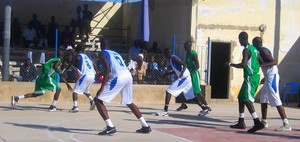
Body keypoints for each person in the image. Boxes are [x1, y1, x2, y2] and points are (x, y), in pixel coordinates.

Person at [94, 39, 151, 135]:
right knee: (129, 102)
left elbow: (107, 69)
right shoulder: (116, 53)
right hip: (127, 76)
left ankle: (110, 126)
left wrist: (102, 87)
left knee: (98, 100)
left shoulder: (102, 53)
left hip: (119, 77)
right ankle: (145, 126)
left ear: (101, 45)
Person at [252, 37, 292, 131]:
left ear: (255, 44)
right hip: (268, 77)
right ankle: (264, 121)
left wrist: (260, 65)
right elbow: (268, 68)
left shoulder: (263, 51)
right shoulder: (260, 52)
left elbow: (274, 62)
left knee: (276, 99)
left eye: (253, 43)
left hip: (272, 77)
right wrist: (265, 77)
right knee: (263, 99)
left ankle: (286, 124)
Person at [229, 32, 264, 133]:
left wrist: (230, 64)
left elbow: (243, 65)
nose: (239, 41)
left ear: (242, 39)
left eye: (239, 39)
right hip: (255, 76)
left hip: (250, 77)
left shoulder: (246, 50)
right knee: (241, 98)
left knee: (247, 99)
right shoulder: (255, 49)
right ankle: (241, 121)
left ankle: (257, 121)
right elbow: (260, 62)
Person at [156, 48, 199, 117]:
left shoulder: (173, 58)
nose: (164, 55)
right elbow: (176, 70)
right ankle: (204, 107)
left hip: (184, 77)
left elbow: (184, 64)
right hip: (186, 77)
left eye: (165, 53)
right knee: (190, 96)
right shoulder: (171, 59)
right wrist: (167, 74)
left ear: (167, 53)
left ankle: (165, 111)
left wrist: (181, 73)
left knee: (168, 91)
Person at [176, 41, 212, 116]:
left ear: (189, 46)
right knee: (184, 89)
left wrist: (191, 72)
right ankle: (184, 104)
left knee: (197, 91)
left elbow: (197, 66)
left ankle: (207, 106)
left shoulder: (193, 54)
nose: (184, 47)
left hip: (194, 74)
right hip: (188, 74)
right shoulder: (187, 53)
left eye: (185, 46)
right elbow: (186, 64)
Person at [69, 45, 99, 113]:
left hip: (85, 75)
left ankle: (75, 107)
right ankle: (92, 100)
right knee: (85, 90)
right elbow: (93, 62)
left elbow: (77, 61)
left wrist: (72, 62)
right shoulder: (88, 56)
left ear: (77, 51)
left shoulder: (78, 56)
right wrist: (97, 70)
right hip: (92, 75)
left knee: (75, 91)